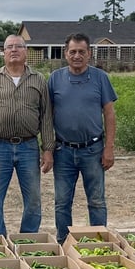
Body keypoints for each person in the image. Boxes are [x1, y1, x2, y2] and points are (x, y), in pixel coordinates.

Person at [0, 34, 55, 235]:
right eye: (9, 47)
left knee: (33, 199)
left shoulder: (38, 80)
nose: (14, 50)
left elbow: (46, 116)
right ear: (4, 52)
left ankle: (27, 240)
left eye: (19, 46)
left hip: (28, 147)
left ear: (26, 51)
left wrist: (48, 149)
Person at [48, 32, 117, 243]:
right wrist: (47, 148)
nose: (77, 55)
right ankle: (63, 242)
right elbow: (47, 115)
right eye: (72, 51)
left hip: (93, 150)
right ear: (66, 54)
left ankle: (99, 243)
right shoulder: (55, 79)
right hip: (63, 151)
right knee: (62, 202)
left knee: (96, 200)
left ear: (89, 54)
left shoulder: (100, 78)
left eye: (81, 52)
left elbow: (109, 113)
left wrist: (109, 148)